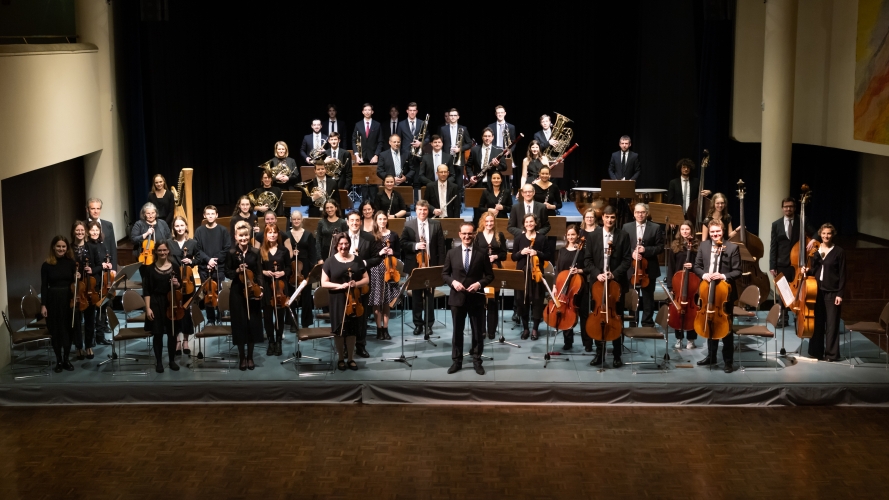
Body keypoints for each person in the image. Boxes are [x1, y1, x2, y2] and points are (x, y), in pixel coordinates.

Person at [583, 205, 633, 368]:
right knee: (598, 319)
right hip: (597, 284)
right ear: (602, 218)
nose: (609, 220)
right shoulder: (593, 236)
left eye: (612, 217)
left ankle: (617, 355)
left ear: (615, 218)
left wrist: (614, 274)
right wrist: (597, 273)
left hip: (616, 285)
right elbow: (588, 260)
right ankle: (599, 353)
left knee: (616, 318)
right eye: (607, 217)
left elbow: (627, 260)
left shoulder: (623, 235)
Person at [444, 222, 494, 375]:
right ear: (459, 234)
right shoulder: (451, 253)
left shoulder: (482, 253)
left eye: (469, 234)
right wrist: (453, 282)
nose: (467, 236)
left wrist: (479, 284)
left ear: (473, 235)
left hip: (475, 299)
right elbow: (444, 274)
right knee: (457, 332)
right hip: (457, 298)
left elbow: (490, 275)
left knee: (478, 332)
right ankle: (456, 361)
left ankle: (477, 361)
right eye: (464, 233)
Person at [693, 219, 742, 373]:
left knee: (726, 328)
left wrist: (723, 275)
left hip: (725, 294)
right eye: (712, 232)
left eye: (718, 232)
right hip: (708, 291)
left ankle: (728, 361)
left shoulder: (732, 247)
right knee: (709, 322)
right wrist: (704, 274)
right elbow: (697, 266)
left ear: (723, 231)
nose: (715, 234)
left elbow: (737, 271)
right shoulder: (704, 246)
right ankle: (711, 356)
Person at [322, 232, 369, 371]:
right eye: (341, 244)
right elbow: (324, 283)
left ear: (349, 244)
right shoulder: (329, 261)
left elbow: (366, 279)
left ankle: (351, 358)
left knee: (352, 330)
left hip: (354, 299)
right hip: (337, 299)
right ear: (336, 246)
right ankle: (341, 358)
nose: (344, 247)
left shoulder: (357, 260)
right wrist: (339, 286)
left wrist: (356, 283)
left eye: (346, 244)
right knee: (339, 330)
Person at [401, 200, 445, 337]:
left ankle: (429, 324)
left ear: (428, 211)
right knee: (416, 296)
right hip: (415, 266)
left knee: (429, 296)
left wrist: (440, 267)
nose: (422, 212)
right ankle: (418, 324)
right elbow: (403, 243)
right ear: (416, 210)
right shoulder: (408, 224)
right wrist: (415, 246)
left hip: (431, 266)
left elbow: (441, 247)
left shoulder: (436, 224)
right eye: (420, 210)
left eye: (425, 210)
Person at [769, 196, 815, 326]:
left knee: (799, 291)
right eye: (786, 207)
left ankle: (797, 315)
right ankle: (782, 318)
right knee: (783, 292)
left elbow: (816, 232)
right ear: (782, 208)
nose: (788, 209)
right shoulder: (776, 224)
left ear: (794, 208)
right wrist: (772, 265)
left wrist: (812, 240)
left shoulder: (802, 220)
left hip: (798, 263)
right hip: (781, 263)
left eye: (791, 206)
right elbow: (773, 246)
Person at [225, 221, 265, 371]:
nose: (243, 238)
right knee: (240, 325)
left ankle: (250, 356)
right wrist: (237, 270)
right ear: (236, 236)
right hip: (236, 292)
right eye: (240, 236)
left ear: (249, 236)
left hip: (252, 290)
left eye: (246, 235)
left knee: (252, 323)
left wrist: (260, 288)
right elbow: (227, 273)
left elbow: (259, 272)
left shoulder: (255, 252)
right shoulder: (231, 253)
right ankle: (242, 357)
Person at [344, 212, 384, 358]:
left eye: (357, 220)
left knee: (362, 315)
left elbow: (378, 258)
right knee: (346, 315)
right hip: (344, 282)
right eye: (352, 220)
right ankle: (345, 346)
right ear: (347, 222)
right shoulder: (341, 238)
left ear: (361, 222)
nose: (354, 223)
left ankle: (361, 345)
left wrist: (364, 263)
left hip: (363, 282)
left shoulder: (369, 238)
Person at [804, 223, 845, 362]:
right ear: (820, 234)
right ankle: (816, 352)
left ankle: (831, 354)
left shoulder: (839, 251)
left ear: (832, 235)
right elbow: (814, 269)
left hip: (832, 292)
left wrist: (840, 294)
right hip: (816, 291)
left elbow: (843, 274)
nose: (826, 236)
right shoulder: (816, 250)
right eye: (823, 233)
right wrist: (807, 270)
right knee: (817, 323)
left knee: (832, 324)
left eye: (829, 233)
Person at [142, 240, 182, 373]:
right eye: (160, 250)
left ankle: (171, 361)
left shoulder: (175, 267)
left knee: (172, 333)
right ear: (156, 252)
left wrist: (176, 284)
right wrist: (148, 308)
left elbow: (180, 286)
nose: (162, 252)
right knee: (157, 333)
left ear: (168, 251)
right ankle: (159, 362)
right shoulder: (150, 269)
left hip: (171, 302)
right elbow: (147, 290)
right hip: (155, 303)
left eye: (165, 250)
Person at [622, 203, 664, 326]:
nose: (640, 214)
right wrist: (632, 253)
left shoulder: (655, 227)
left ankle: (647, 323)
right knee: (632, 296)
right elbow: (623, 246)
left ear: (646, 213)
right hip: (632, 268)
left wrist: (646, 250)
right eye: (637, 212)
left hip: (648, 268)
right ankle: (632, 322)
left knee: (648, 297)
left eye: (642, 212)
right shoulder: (626, 227)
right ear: (634, 214)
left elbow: (660, 247)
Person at [40, 236, 78, 372]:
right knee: (56, 331)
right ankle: (58, 361)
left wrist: (77, 277)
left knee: (68, 329)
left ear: (67, 248)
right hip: (53, 300)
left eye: (63, 246)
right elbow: (44, 286)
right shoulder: (46, 265)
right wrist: (43, 305)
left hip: (68, 299)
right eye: (58, 246)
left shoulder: (71, 262)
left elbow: (75, 283)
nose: (61, 249)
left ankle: (66, 359)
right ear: (53, 247)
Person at [513, 214, 549, 341]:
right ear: (524, 224)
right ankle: (525, 328)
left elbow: (548, 256)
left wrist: (537, 253)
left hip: (536, 274)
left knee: (537, 301)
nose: (529, 224)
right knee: (522, 301)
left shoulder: (542, 238)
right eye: (527, 222)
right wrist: (520, 252)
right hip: (521, 275)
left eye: (531, 221)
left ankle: (535, 328)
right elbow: (513, 257)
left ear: (535, 223)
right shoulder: (519, 238)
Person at [555, 225, 591, 351]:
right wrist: (555, 286)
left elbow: (589, 268)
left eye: (573, 235)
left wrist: (579, 270)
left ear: (577, 236)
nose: (571, 237)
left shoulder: (583, 251)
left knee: (584, 315)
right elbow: (558, 270)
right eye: (568, 235)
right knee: (566, 314)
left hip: (581, 287)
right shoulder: (562, 251)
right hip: (565, 287)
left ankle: (587, 343)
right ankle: (568, 342)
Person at [194, 205, 230, 326]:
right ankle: (210, 319)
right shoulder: (199, 231)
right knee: (207, 293)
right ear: (204, 216)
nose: (210, 216)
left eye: (212, 214)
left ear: (216, 215)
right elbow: (197, 249)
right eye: (208, 214)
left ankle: (220, 316)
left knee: (219, 292)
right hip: (204, 267)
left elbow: (227, 248)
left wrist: (215, 260)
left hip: (219, 267)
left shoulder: (223, 230)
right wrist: (208, 260)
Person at [86, 197, 116, 341]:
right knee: (94, 303)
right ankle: (95, 332)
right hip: (93, 274)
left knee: (105, 302)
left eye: (98, 208)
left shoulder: (108, 225)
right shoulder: (83, 227)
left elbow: (112, 248)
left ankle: (102, 327)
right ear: (88, 209)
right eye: (93, 208)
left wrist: (113, 268)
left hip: (107, 273)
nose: (96, 211)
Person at [368, 211, 401, 340]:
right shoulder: (371, 236)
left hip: (390, 269)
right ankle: (378, 329)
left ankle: (386, 329)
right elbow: (369, 255)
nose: (382, 221)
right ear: (376, 220)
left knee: (387, 301)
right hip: (376, 270)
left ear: (387, 220)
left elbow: (399, 252)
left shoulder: (393, 235)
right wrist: (380, 252)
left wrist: (393, 251)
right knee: (377, 301)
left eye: (384, 219)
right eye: (380, 219)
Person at [71, 221, 101, 360]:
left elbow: (99, 266)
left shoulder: (91, 247)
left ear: (85, 232)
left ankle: (88, 345)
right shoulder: (69, 249)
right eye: (77, 231)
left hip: (89, 287)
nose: (80, 233)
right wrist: (73, 274)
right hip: (76, 289)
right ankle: (78, 347)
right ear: (73, 232)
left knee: (90, 319)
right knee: (76, 319)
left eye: (82, 230)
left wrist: (91, 269)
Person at [168, 216, 198, 355]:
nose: (180, 228)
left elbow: (199, 258)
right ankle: (178, 341)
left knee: (186, 309)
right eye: (177, 226)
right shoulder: (169, 243)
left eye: (182, 225)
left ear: (186, 226)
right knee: (175, 310)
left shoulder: (192, 243)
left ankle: (186, 340)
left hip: (188, 280)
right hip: (174, 279)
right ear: (174, 228)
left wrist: (191, 261)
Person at [260, 224, 291, 357]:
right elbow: (258, 269)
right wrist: (265, 272)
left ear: (278, 234)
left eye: (274, 232)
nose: (272, 235)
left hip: (280, 287)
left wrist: (283, 272)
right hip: (267, 287)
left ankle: (278, 341)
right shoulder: (262, 251)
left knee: (279, 315)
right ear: (265, 235)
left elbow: (289, 268)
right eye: (269, 232)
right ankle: (271, 341)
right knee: (267, 316)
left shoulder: (284, 251)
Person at [669, 220, 701, 349]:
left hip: (693, 283)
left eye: (687, 229)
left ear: (691, 230)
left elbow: (701, 265)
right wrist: (671, 287)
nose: (685, 232)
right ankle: (679, 338)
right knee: (678, 311)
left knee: (692, 312)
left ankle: (691, 339)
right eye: (682, 230)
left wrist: (693, 266)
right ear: (679, 231)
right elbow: (671, 267)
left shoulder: (698, 246)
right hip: (678, 283)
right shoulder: (675, 246)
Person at [285, 211, 319, 330]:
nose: (296, 221)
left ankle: (305, 322)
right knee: (291, 295)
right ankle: (293, 322)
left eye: (298, 219)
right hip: (292, 268)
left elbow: (312, 254)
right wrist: (290, 254)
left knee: (306, 296)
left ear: (302, 220)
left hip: (305, 268)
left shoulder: (308, 235)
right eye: (294, 219)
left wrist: (310, 271)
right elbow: (284, 253)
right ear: (291, 220)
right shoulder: (287, 235)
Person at [476, 213, 507, 340]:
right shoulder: (477, 236)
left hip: (495, 270)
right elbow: (474, 253)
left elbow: (504, 254)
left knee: (493, 301)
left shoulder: (499, 235)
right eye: (487, 221)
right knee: (481, 301)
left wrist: (496, 256)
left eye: (491, 221)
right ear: (483, 222)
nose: (489, 224)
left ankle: (492, 330)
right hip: (481, 271)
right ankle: (482, 330)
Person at [131, 202, 172, 275]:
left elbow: (169, 237)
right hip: (145, 257)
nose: (151, 216)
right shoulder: (139, 224)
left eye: (153, 213)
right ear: (144, 214)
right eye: (148, 213)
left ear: (156, 213)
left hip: (161, 255)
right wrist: (145, 234)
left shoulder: (162, 223)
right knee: (146, 280)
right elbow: (133, 240)